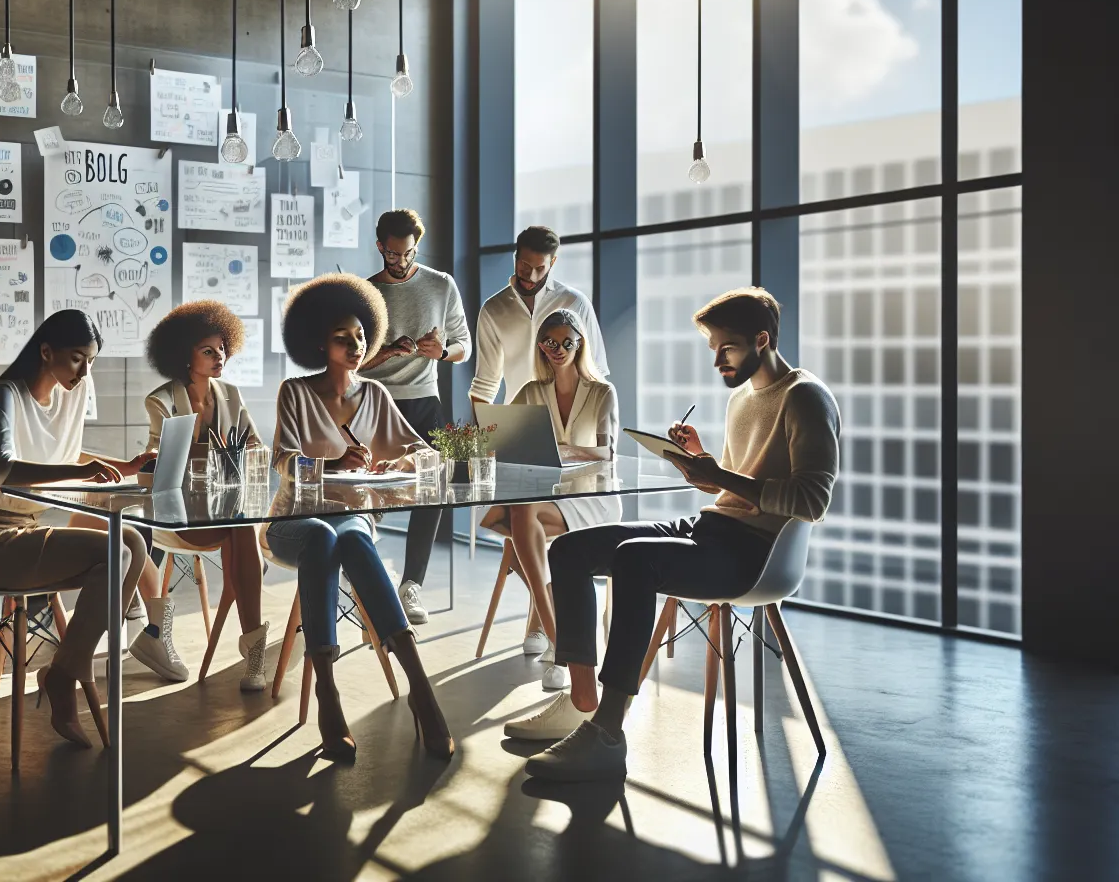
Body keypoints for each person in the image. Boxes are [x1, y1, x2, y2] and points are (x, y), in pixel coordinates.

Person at [515, 288, 839, 782]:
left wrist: (722, 478)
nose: (717, 361)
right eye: (713, 349)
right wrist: (704, 466)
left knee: (635, 559)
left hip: (756, 554)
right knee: (571, 548)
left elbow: (812, 501)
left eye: (725, 348)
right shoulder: (742, 398)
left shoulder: (806, 397)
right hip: (715, 528)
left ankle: (607, 732)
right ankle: (583, 699)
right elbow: (739, 484)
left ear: (761, 339)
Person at [269, 273, 454, 761]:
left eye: (359, 336)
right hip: (294, 522)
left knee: (351, 539)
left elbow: (423, 451)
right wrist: (330, 465)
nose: (355, 345)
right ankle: (327, 691)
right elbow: (282, 461)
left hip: (349, 519)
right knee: (321, 538)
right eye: (341, 338)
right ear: (317, 343)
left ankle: (420, 687)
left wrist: (402, 461)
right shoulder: (295, 392)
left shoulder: (374, 394)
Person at [0, 309, 156, 748]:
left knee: (132, 543)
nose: (85, 371)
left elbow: (61, 449)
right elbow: (0, 468)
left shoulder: (73, 391)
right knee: (117, 553)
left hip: (28, 527)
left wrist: (119, 466)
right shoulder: (5, 393)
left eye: (91, 360)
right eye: (76, 359)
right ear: (46, 352)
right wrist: (79, 472)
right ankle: (67, 676)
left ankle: (65, 669)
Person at [478, 311, 620, 699]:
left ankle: (553, 640)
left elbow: (608, 453)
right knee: (513, 510)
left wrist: (567, 450)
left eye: (567, 343)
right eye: (550, 343)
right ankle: (556, 631)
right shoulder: (530, 392)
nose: (558, 350)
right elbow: (508, 447)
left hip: (591, 499)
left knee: (522, 513)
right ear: (541, 346)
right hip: (544, 497)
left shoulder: (601, 392)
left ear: (580, 344)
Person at [142, 301, 272, 690]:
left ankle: (255, 656)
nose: (221, 357)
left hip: (224, 510)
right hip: (176, 514)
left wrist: (247, 453)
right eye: (208, 351)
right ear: (184, 355)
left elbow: (258, 448)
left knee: (241, 526)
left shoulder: (231, 393)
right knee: (242, 529)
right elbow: (161, 461)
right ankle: (254, 651)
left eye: (222, 349)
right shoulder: (161, 400)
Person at [358, 208, 470, 626]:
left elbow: (464, 347)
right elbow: (352, 364)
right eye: (392, 254)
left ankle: (411, 586)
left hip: (425, 399)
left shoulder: (441, 285)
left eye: (408, 254)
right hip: (375, 400)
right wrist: (387, 352)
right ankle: (364, 573)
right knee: (368, 489)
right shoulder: (366, 293)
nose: (401, 262)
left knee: (437, 485)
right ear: (380, 247)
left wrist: (440, 353)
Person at [470, 225, 608, 407]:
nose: (531, 276)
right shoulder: (493, 309)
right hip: (517, 422)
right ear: (515, 258)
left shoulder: (576, 303)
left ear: (553, 262)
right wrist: (480, 433)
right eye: (524, 266)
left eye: (540, 268)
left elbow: (594, 372)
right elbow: (484, 384)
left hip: (570, 420)